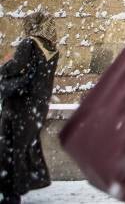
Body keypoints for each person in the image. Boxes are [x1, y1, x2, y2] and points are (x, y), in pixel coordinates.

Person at [0, 11, 59, 204]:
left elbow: (16, 67)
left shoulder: (29, 43)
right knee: (23, 147)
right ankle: (21, 185)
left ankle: (10, 193)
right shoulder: (52, 49)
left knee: (8, 148)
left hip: (19, 104)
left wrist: (3, 67)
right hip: (37, 106)